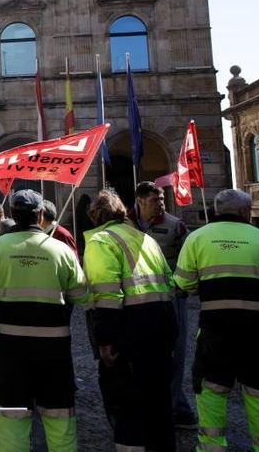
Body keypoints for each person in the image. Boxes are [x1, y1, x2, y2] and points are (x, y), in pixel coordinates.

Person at [173, 189, 259, 452]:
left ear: (217, 210)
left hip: (215, 333)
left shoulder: (196, 239)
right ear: (244, 212)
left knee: (211, 394)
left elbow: (183, 283)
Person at [0, 190, 88, 452]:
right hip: (54, 349)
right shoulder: (61, 250)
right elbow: (81, 296)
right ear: (40, 215)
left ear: (13, 215)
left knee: (11, 417)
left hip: (9, 348)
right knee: (59, 416)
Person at [83, 189, 178, 452]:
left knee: (126, 405)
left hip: (130, 328)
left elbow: (107, 295)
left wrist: (105, 341)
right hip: (163, 322)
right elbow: (168, 282)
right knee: (159, 403)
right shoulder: (145, 238)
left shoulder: (101, 241)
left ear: (95, 215)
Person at [130, 181, 194, 428]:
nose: (161, 204)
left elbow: (189, 258)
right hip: (137, 301)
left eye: (162, 200)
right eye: (155, 200)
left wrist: (181, 286)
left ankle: (175, 405)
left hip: (171, 299)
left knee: (176, 353)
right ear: (140, 200)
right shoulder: (126, 224)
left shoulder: (175, 225)